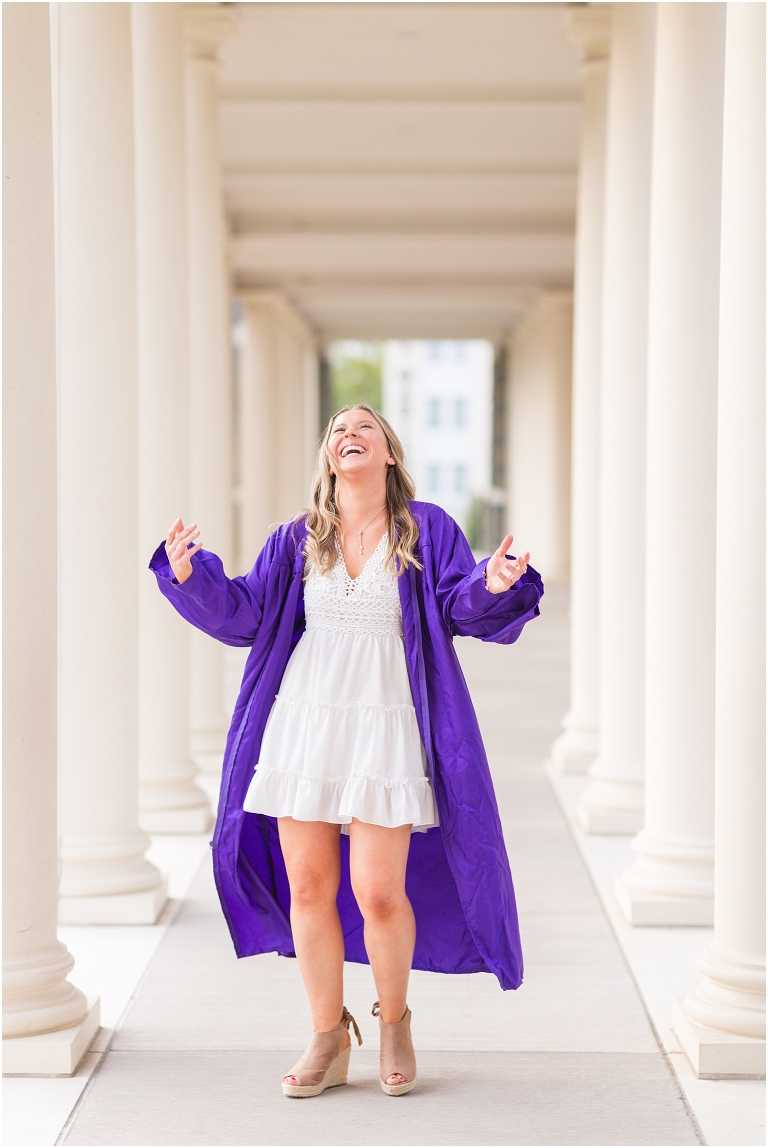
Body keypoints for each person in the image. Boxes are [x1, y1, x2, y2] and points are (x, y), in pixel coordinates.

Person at [150, 404, 542, 1099]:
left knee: (378, 891)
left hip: (385, 721)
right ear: (330, 458)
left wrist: (496, 583)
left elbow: (457, 603)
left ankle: (394, 1021)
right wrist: (190, 578)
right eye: (337, 431)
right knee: (308, 885)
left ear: (388, 452)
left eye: (364, 428)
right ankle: (327, 1034)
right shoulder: (299, 538)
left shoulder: (425, 529)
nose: (349, 435)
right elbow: (244, 613)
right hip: (306, 719)